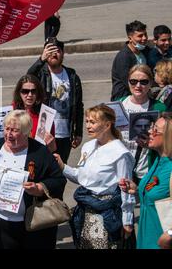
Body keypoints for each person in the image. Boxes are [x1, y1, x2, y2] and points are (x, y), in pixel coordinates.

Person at [55, 104, 135, 249]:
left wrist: (127, 221)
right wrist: (62, 166)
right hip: (86, 210)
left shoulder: (120, 153)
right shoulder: (88, 146)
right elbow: (83, 178)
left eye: (93, 122)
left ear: (107, 125)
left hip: (106, 213)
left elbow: (126, 190)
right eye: (87, 121)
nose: (88, 126)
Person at [0, 110, 66, 249]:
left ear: (26, 132)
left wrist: (39, 188)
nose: (9, 134)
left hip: (29, 226)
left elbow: (58, 180)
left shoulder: (40, 152)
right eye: (7, 129)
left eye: (15, 130)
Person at [27, 38, 83, 165]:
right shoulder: (41, 74)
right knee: (42, 167)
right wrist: (40, 60)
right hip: (44, 132)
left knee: (60, 170)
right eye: (49, 51)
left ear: (63, 53)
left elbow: (78, 105)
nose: (53, 54)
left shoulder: (72, 76)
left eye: (57, 51)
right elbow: (28, 79)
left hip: (65, 134)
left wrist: (78, 132)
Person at [119, 114, 172, 248]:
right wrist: (137, 190)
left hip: (162, 242)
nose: (149, 132)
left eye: (155, 130)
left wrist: (170, 234)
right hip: (147, 238)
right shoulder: (158, 160)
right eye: (152, 128)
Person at [117, 65, 166, 183]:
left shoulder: (159, 108)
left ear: (150, 84)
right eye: (133, 81)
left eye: (144, 82)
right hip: (121, 166)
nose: (138, 86)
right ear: (128, 82)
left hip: (145, 167)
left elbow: (167, 142)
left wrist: (151, 144)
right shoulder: (120, 103)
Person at [13, 74, 56, 152]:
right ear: (19, 93)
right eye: (25, 91)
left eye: (33, 91)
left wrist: (51, 144)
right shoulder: (11, 111)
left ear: (38, 93)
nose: (30, 95)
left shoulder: (46, 115)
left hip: (37, 159)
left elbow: (53, 149)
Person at [111, 20, 149, 101]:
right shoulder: (124, 57)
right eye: (140, 36)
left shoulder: (145, 51)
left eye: (145, 34)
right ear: (130, 38)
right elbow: (129, 83)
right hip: (124, 98)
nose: (144, 38)